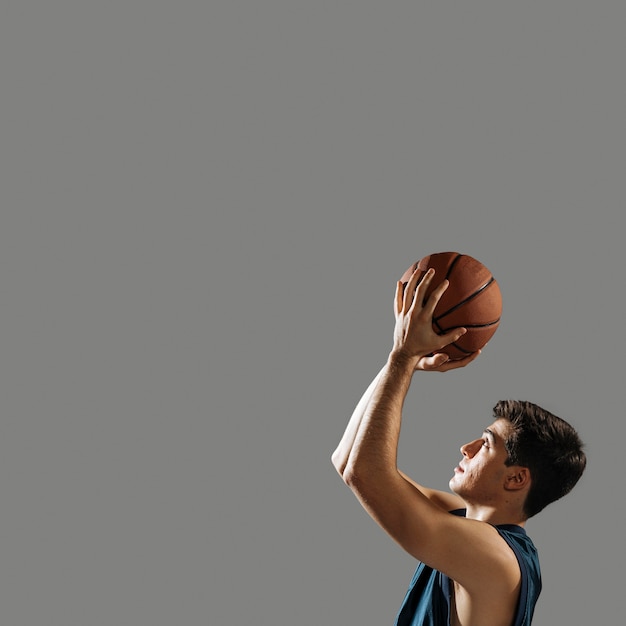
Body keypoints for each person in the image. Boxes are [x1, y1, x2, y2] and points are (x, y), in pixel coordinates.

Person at [331, 267, 586, 626]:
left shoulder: (494, 556)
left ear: (516, 479)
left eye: (485, 443)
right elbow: (347, 460)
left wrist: (402, 359)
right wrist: (404, 362)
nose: (465, 448)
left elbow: (365, 472)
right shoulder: (470, 525)